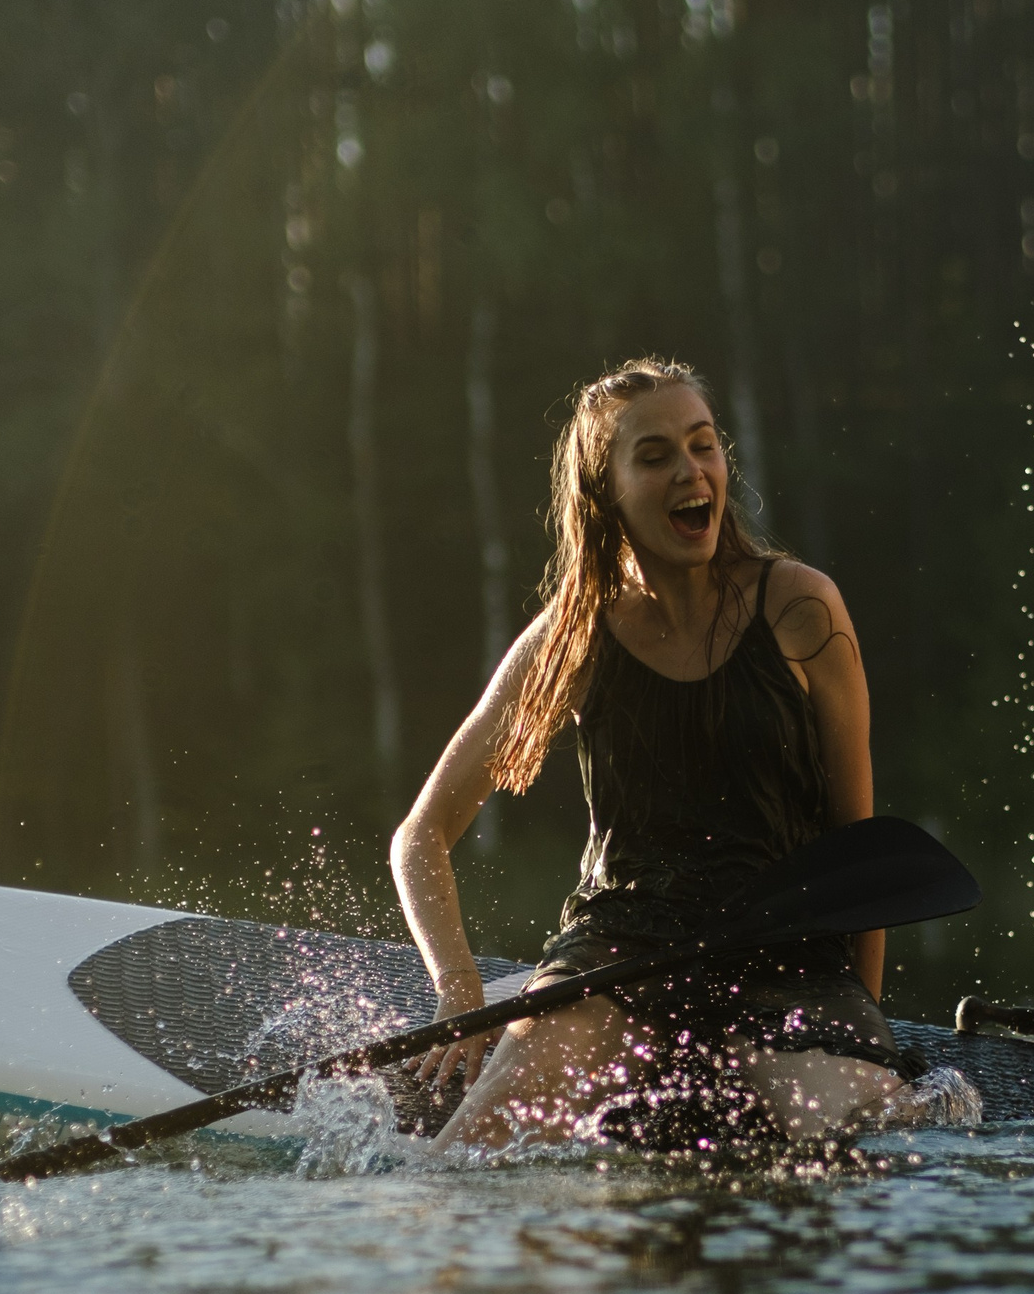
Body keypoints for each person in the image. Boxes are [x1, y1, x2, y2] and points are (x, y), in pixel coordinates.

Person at [389, 358, 911, 1154]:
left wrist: (862, 1023)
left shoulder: (803, 608)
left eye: (702, 446)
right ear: (606, 493)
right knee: (460, 1159)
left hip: (787, 961)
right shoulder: (574, 638)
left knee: (855, 1138)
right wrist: (459, 991)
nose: (690, 471)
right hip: (617, 961)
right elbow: (419, 836)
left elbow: (860, 855)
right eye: (656, 455)